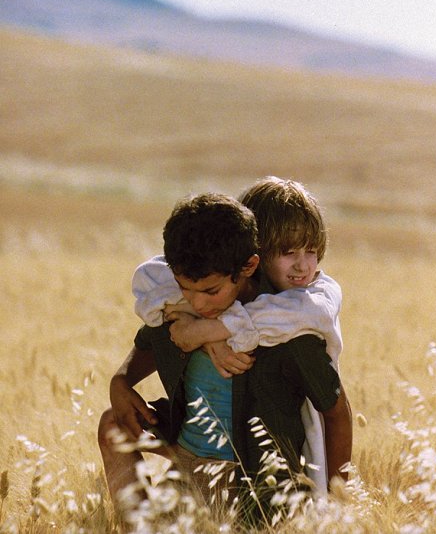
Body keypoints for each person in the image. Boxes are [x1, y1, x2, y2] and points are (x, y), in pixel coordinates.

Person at [98, 192, 352, 524]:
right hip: (187, 459)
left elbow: (337, 413)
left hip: (248, 481)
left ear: (249, 266)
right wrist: (121, 380)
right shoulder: (183, 301)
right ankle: (138, 527)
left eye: (210, 292)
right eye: (186, 289)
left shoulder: (290, 335)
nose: (199, 303)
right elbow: (151, 338)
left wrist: (335, 506)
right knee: (112, 422)